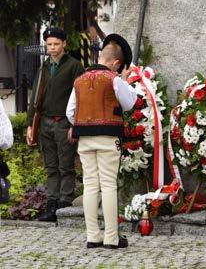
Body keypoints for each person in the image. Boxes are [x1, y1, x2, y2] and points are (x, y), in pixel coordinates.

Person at [66, 34, 136, 249]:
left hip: (85, 139)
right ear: (116, 63)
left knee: (90, 186)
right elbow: (129, 104)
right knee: (107, 185)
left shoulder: (79, 79)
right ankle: (111, 237)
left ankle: (92, 236)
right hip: (108, 137)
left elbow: (70, 112)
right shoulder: (113, 78)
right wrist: (123, 81)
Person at [26, 27, 84, 221]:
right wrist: (29, 124)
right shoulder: (43, 67)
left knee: (66, 166)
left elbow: (80, 98)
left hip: (64, 123)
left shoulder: (74, 66)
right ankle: (51, 206)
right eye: (49, 44)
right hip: (45, 123)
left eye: (56, 44)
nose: (52, 47)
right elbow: (35, 96)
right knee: (51, 167)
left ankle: (64, 205)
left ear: (64, 44)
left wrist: (74, 124)